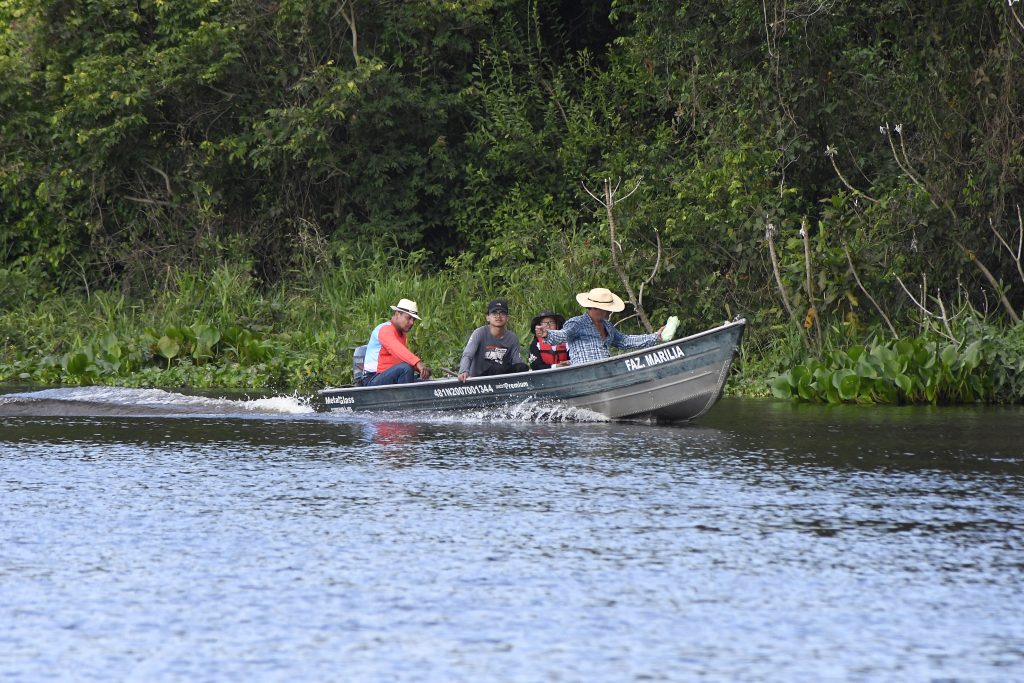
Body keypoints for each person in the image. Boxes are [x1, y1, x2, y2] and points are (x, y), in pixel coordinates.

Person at [538, 287, 663, 364]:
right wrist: (547, 334)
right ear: (593, 307)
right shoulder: (577, 323)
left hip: (606, 371)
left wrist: (656, 336)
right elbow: (562, 335)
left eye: (608, 309)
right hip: (585, 373)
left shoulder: (607, 326)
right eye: (604, 309)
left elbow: (625, 341)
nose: (607, 312)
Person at [362, 298, 432, 386]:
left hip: (386, 376)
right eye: (409, 318)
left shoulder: (401, 335)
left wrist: (422, 370)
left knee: (417, 376)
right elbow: (397, 349)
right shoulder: (385, 329)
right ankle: (404, 399)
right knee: (405, 369)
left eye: (414, 320)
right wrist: (417, 363)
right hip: (373, 379)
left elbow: (403, 358)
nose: (411, 323)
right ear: (397, 314)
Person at [458, 299, 529, 382]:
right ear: (487, 317)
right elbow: (467, 355)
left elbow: (516, 362)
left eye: (502, 313)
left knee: (522, 367)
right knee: (497, 367)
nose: (498, 316)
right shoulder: (479, 333)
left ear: (507, 318)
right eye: (494, 313)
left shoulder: (512, 338)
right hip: (480, 378)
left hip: (502, 376)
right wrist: (463, 371)